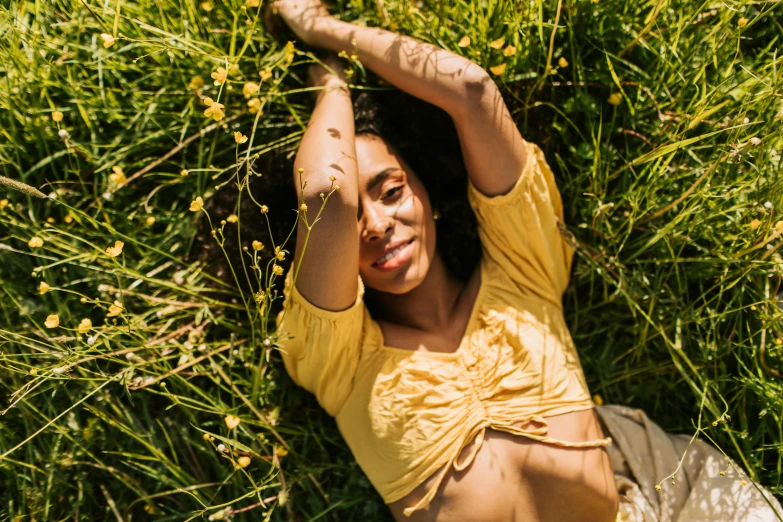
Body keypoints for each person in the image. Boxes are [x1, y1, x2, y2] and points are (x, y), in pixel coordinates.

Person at [270, 1, 783, 521]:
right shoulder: (340, 359)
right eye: (358, 214)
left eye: (392, 190)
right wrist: (331, 84)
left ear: (426, 191)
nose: (376, 225)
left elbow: (471, 92)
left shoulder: (523, 272)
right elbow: (326, 195)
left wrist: (324, 30)